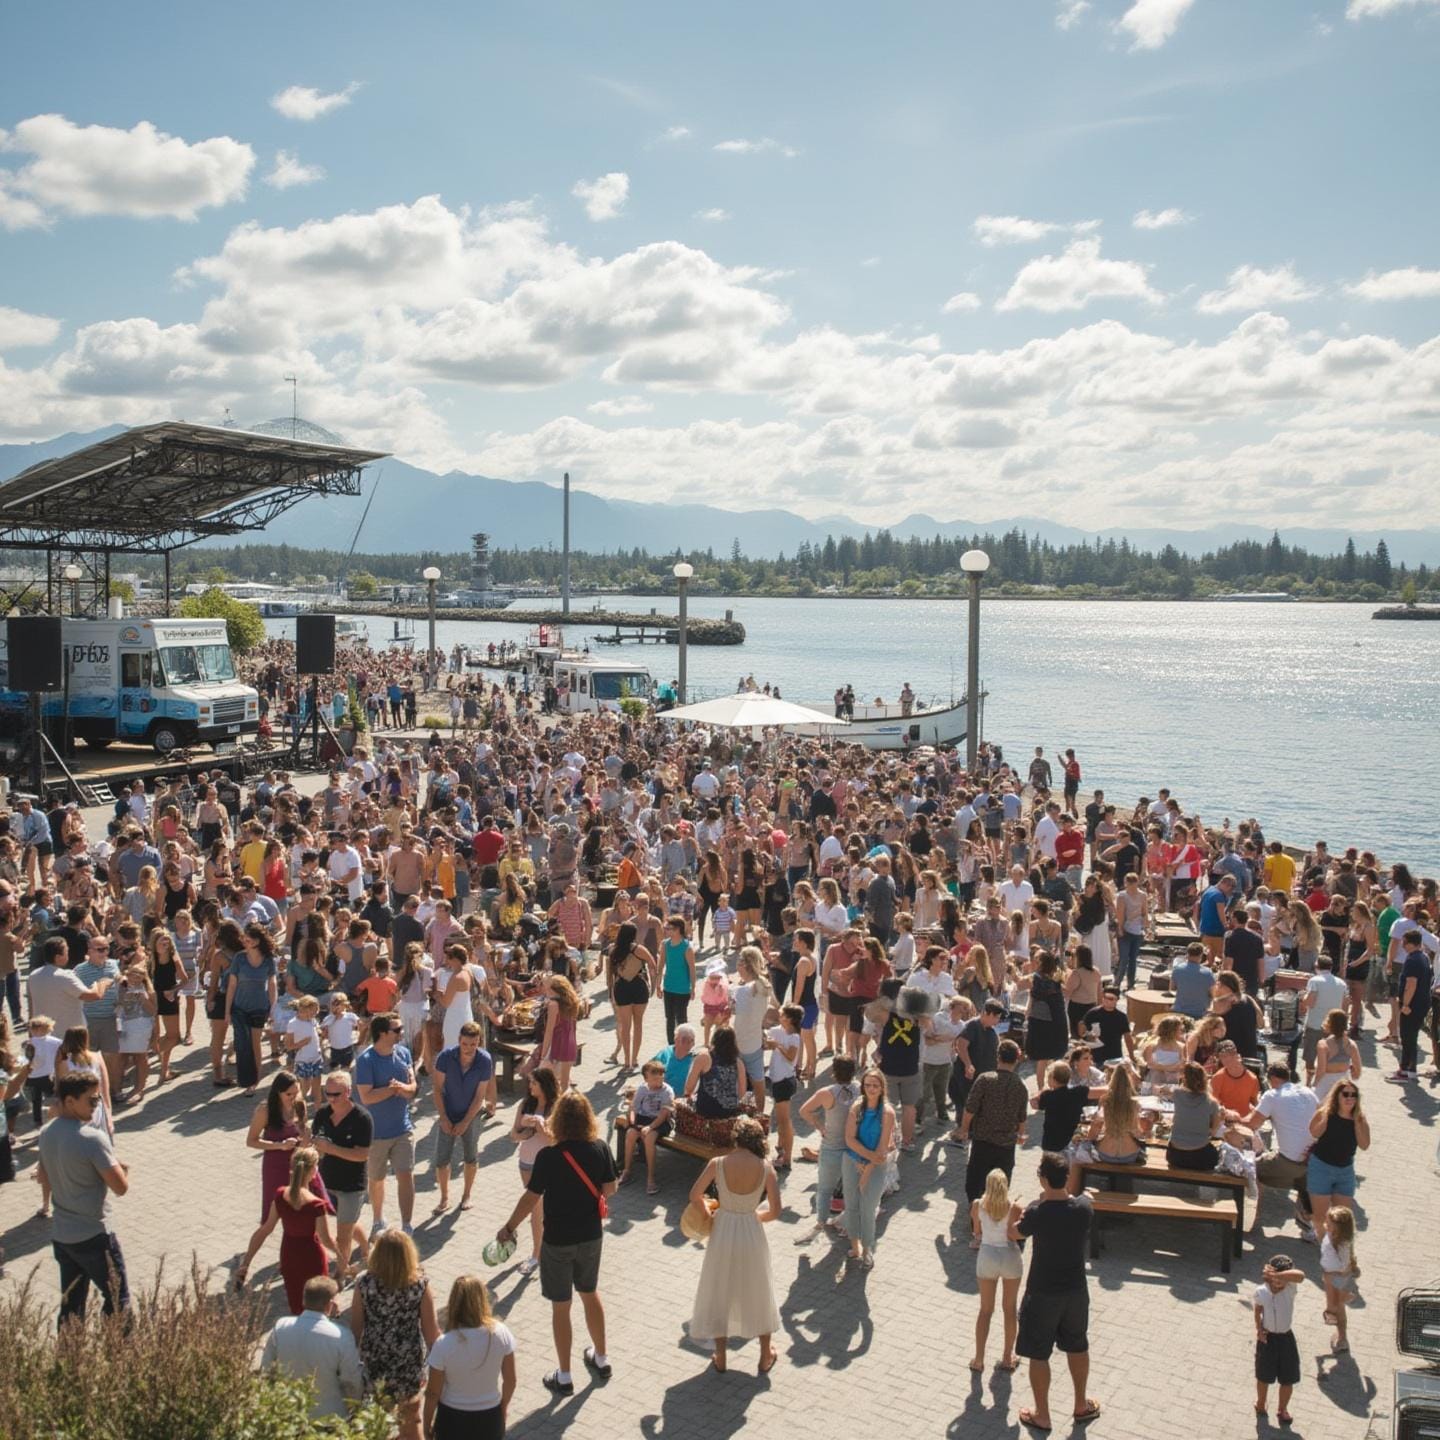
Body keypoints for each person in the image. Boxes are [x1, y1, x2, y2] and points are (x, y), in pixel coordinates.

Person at [496, 1090, 617, 1397]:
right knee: (590, 1294)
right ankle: (601, 1358)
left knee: (561, 1307)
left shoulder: (548, 1157)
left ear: (558, 1120)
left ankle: (564, 1375)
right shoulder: (600, 1148)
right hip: (591, 1235)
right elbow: (611, 1188)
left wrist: (509, 1227)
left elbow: (530, 1198)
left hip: (558, 1240)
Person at [687, 1114, 783, 1373]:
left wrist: (709, 1215)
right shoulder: (766, 1168)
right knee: (758, 1289)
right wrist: (754, 1218)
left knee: (720, 1289)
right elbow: (776, 1211)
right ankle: (765, 1355)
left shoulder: (717, 1163)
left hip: (723, 1230)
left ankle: (721, 1356)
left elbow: (694, 1195)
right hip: (751, 1231)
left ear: (735, 1138)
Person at [1012, 1150, 1100, 1431]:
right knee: (1078, 1345)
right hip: (1076, 1292)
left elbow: (1015, 1232)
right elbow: (1086, 1199)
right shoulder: (1084, 1208)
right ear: (1067, 1177)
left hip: (1042, 1293)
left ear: (1043, 1179)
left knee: (1039, 1353)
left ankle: (1043, 1415)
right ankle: (1080, 1404)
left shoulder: (1038, 1212)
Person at [37, 1072, 131, 1324]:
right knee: (117, 1298)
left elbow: (43, 1177)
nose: (97, 1104)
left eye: (98, 1099)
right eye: (91, 1100)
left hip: (63, 1236)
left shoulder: (46, 1133)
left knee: (71, 1304)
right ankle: (119, 1354)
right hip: (95, 1235)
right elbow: (120, 1187)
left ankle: (68, 1357)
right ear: (69, 1101)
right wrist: (122, 1170)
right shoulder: (91, 1138)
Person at [352, 1227, 440, 1440]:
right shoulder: (419, 1284)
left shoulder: (364, 1282)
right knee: (410, 1423)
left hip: (374, 1361)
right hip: (407, 1364)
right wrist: (438, 1371)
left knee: (375, 1423)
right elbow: (431, 1334)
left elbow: (356, 1329)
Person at [237, 1145, 335, 1315]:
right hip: (312, 1258)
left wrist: (246, 1262)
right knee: (318, 1307)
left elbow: (265, 1230)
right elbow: (326, 1240)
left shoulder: (281, 1195)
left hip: (289, 1256)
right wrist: (342, 1259)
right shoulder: (317, 1205)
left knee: (297, 1306)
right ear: (313, 1171)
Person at [422, 1274, 517, 1440]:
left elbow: (432, 1392)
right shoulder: (501, 1333)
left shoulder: (444, 1344)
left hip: (452, 1419)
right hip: (490, 1416)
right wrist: (503, 1407)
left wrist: (426, 1424)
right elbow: (511, 1380)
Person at [260, 1275, 364, 1422]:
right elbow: (352, 1382)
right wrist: (355, 1407)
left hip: (287, 1411)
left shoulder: (281, 1327)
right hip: (330, 1416)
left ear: (304, 1300)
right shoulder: (342, 1336)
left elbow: (266, 1369)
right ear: (330, 1305)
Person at [356, 1012, 418, 1236]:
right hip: (376, 1134)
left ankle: (407, 1224)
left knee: (406, 1175)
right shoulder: (365, 1060)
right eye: (397, 1030)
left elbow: (412, 1088)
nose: (401, 1033)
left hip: (402, 1129)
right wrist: (393, 1090)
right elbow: (367, 1097)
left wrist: (402, 1088)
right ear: (383, 1033)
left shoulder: (404, 1053)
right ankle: (377, 1220)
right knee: (377, 1179)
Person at [1242, 1064, 1319, 1242]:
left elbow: (1253, 1124)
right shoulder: (1308, 1092)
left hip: (1288, 1161)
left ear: (1272, 1079)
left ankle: (1251, 1219)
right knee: (1302, 1180)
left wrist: (1233, 1116)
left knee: (1252, 1169)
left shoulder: (1272, 1095)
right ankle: (1307, 1224)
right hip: (1312, 1159)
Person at [311, 1069, 373, 1283]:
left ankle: (339, 1275)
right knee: (346, 1223)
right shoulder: (322, 1114)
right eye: (327, 1093)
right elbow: (316, 1142)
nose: (330, 1099)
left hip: (351, 1186)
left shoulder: (362, 1118)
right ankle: (367, 1249)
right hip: (326, 1182)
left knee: (343, 1234)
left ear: (348, 1092)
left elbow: (361, 1155)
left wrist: (330, 1148)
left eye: (335, 1094)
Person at [432, 1021, 496, 1213]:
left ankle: (467, 1195)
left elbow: (480, 1096)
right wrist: (443, 1117)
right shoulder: (445, 1057)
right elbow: (437, 1089)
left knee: (470, 1156)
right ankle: (444, 1198)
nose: (469, 1049)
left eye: (473, 1044)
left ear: (479, 1043)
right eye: (465, 1044)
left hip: (471, 1114)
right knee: (442, 1159)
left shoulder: (485, 1060)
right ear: (459, 1040)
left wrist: (466, 1121)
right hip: (447, 1112)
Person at [960, 1038, 1029, 1203]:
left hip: (983, 1140)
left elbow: (970, 1108)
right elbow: (1022, 1117)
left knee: (976, 1183)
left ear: (998, 1057)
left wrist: (964, 1129)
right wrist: (1020, 1135)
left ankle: (975, 1216)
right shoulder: (1020, 1085)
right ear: (1016, 1059)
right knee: (999, 1185)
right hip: (1006, 1144)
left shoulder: (985, 1079)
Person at [970, 1167, 1024, 1374]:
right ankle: (1007, 1357)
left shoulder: (978, 1205)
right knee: (1009, 1309)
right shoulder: (1014, 1207)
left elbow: (977, 1231)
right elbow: (1016, 1235)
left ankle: (979, 1359)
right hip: (1009, 1256)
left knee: (985, 1310)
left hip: (987, 1256)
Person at [797, 1055, 858, 1234]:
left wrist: (819, 1126)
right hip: (854, 1146)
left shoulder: (826, 1093)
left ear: (833, 1072)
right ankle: (849, 1224)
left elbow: (803, 1111)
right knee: (852, 1189)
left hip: (832, 1146)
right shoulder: (860, 1088)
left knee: (824, 1189)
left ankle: (820, 1223)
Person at [840, 1067, 895, 1269]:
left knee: (868, 1208)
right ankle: (855, 1247)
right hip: (852, 1160)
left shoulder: (887, 1112)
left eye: (875, 1085)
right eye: (867, 1085)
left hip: (875, 1165)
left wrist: (867, 1171)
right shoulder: (857, 1107)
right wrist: (860, 1161)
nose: (871, 1089)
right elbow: (849, 1138)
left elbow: (882, 1149)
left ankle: (868, 1249)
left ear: (882, 1088)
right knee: (852, 1206)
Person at [1305, 1080, 1369, 1238]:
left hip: (1345, 1171)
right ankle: (1324, 1249)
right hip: (1321, 1167)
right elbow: (1314, 1133)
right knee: (1320, 1217)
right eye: (1345, 1094)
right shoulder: (1325, 1112)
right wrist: (1326, 1118)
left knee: (1342, 1219)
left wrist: (1355, 1123)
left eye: (1353, 1095)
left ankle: (1338, 1249)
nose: (1350, 1098)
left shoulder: (1360, 1119)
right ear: (1337, 1096)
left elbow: (1365, 1145)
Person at [1254, 1255, 1305, 1425]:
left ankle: (1282, 1409)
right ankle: (1261, 1403)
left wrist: (1282, 1276)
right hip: (1267, 1338)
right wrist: (1259, 1329)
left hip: (1286, 1338)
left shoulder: (1290, 1288)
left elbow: (1301, 1276)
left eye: (1284, 1279)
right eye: (1275, 1279)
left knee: (1288, 1378)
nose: (1279, 1283)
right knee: (1263, 1375)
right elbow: (1258, 1310)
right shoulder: (1261, 1291)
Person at [620, 1059, 675, 1193]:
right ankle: (626, 1170)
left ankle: (650, 1178)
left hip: (660, 1121)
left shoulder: (667, 1091)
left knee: (649, 1138)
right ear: (646, 1079)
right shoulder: (643, 1089)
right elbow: (634, 1106)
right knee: (630, 1134)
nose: (658, 1082)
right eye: (654, 1079)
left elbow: (663, 1114)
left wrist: (650, 1127)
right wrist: (632, 1120)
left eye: (660, 1078)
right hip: (643, 1118)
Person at [1165, 1063, 1223, 1171]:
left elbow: (1165, 1091)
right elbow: (1213, 1132)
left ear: (1184, 1079)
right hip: (1200, 1156)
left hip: (1175, 1156)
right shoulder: (1212, 1102)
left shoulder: (1177, 1094)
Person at [1300, 957, 1348, 1084]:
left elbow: (1310, 1001)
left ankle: (1309, 1081)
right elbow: (1345, 1005)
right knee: (1329, 1055)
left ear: (1317, 966)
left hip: (1315, 1023)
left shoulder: (1314, 981)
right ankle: (1323, 1081)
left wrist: (1303, 997)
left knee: (1310, 1055)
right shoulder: (1342, 984)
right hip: (1333, 1026)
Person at [1320, 1206, 1358, 1355]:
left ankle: (1342, 1338)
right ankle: (1340, 1331)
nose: (1326, 1225)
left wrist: (1331, 1275)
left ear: (1340, 1229)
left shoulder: (1341, 1244)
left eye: (1329, 1224)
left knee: (1336, 1308)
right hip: (1331, 1276)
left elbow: (1344, 1266)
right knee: (1335, 1306)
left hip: (1335, 1278)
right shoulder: (1332, 1235)